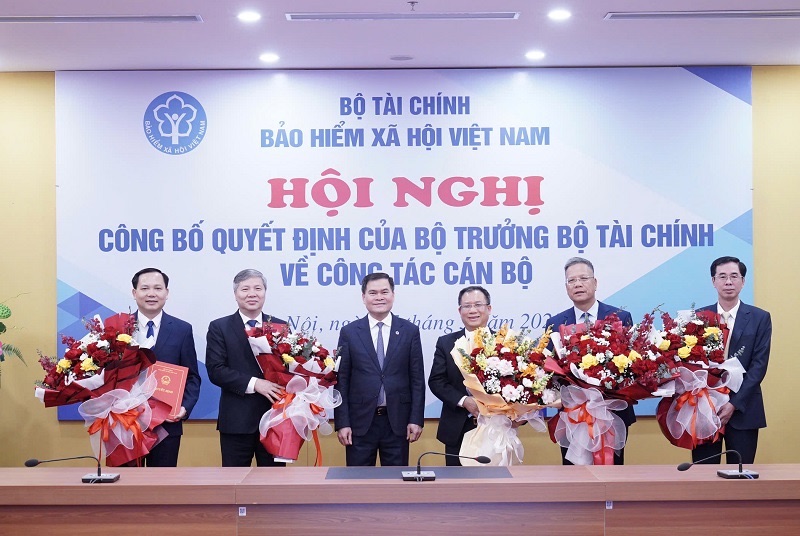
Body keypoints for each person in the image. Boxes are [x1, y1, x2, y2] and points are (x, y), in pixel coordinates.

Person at [548, 257, 635, 465]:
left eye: (583, 278)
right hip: (573, 415)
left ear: (595, 282)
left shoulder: (620, 317)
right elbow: (550, 368)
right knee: (573, 478)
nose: (578, 284)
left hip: (612, 412)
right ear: (566, 287)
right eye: (571, 280)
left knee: (612, 476)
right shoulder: (556, 323)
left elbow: (633, 363)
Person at [334, 272, 425, 466]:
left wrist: (416, 419)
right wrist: (343, 422)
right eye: (373, 293)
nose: (379, 297)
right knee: (358, 484)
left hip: (397, 423)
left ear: (393, 294)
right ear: (363, 297)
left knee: (395, 487)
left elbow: (417, 379)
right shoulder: (349, 332)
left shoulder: (409, 331)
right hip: (359, 423)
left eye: (384, 292)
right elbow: (342, 380)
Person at [694, 256, 771, 465]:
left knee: (741, 478)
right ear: (713, 281)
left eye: (734, 276)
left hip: (744, 409)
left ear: (743, 281)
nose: (728, 282)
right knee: (704, 477)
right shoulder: (698, 317)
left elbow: (759, 365)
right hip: (706, 410)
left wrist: (733, 404)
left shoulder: (760, 318)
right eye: (722, 276)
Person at [206, 269, 287, 467]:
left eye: (258, 288)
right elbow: (216, 370)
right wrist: (256, 384)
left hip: (274, 420)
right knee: (233, 486)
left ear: (265, 292)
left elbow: (289, 369)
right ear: (235, 294)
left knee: (274, 486)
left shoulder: (280, 326)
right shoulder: (220, 327)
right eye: (245, 289)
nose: (252, 294)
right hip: (236, 421)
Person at [121, 267, 201, 467]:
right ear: (134, 293)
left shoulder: (182, 329)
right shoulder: (118, 327)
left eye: (158, 288)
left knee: (163, 489)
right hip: (125, 424)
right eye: (145, 288)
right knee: (125, 489)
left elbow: (192, 377)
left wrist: (184, 407)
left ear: (167, 293)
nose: (151, 294)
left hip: (166, 425)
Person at [428, 285, 491, 465]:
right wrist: (464, 401)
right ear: (459, 310)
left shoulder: (505, 341)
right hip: (457, 427)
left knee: (497, 485)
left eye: (478, 305)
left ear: (489, 308)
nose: (472, 310)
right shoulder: (446, 343)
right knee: (457, 486)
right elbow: (437, 381)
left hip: (498, 428)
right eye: (467, 306)